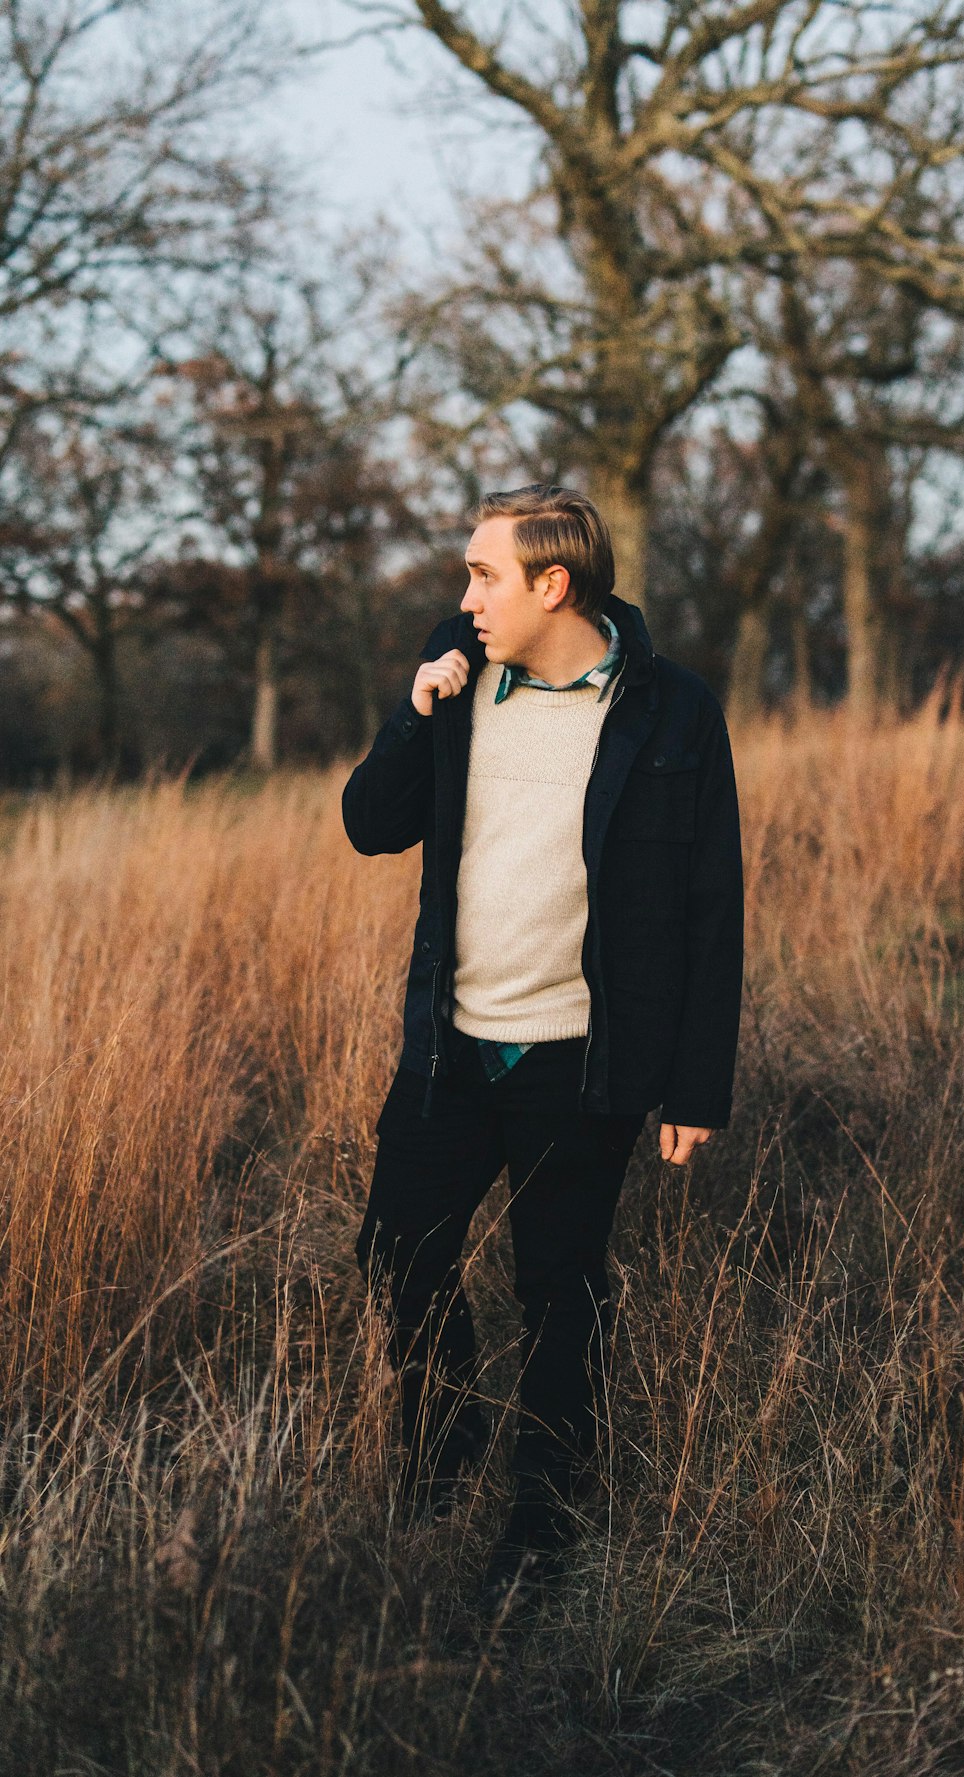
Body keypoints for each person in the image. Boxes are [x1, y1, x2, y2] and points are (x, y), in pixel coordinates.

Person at [342, 485, 743, 1621]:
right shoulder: (456, 673)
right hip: (450, 1050)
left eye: (482, 573)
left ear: (551, 584)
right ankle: (444, 1438)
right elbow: (370, 823)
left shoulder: (670, 712)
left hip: (584, 1059)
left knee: (558, 1291)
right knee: (398, 1252)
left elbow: (712, 903)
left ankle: (542, 1516)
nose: (463, 594)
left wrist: (692, 1085)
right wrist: (417, 714)